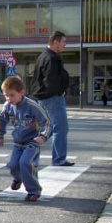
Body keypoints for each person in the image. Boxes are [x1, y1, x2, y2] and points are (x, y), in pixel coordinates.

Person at [0, 76, 52, 202]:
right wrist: (0, 135)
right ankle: (18, 178)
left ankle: (34, 191)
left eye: (12, 95)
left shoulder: (32, 106)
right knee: (12, 165)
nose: (9, 98)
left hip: (32, 141)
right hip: (18, 142)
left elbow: (47, 122)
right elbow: (2, 119)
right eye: (6, 95)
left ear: (22, 92)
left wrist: (43, 136)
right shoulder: (8, 106)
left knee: (26, 163)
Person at [31, 31, 74, 166]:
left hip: (45, 98)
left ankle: (29, 150)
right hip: (52, 98)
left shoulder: (44, 56)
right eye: (63, 42)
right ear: (55, 42)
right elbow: (51, 81)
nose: (64, 45)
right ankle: (59, 159)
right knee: (60, 128)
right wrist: (59, 92)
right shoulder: (51, 58)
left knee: (47, 129)